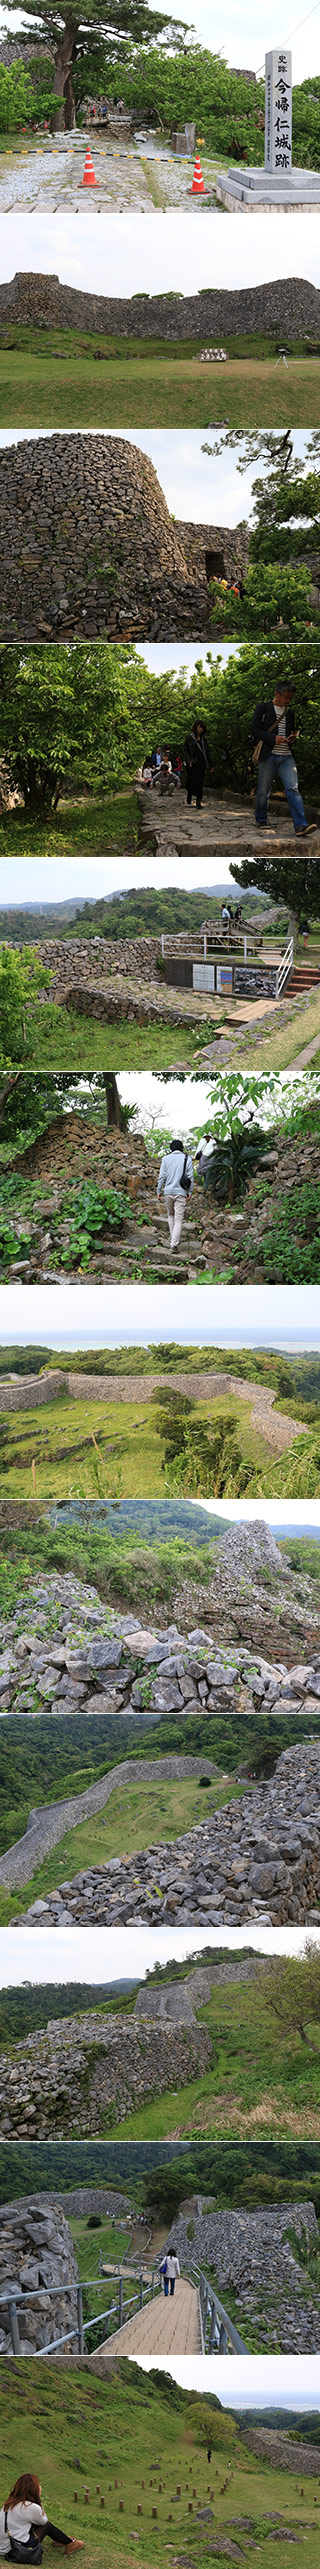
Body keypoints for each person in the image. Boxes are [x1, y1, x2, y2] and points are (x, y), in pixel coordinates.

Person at [251, 679, 317, 837]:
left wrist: (292, 737)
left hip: (287, 756)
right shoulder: (263, 708)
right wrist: (273, 738)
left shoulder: (290, 713)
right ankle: (261, 817)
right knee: (263, 792)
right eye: (286, 697)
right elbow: (255, 729)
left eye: (290, 698)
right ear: (277, 694)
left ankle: (300, 825)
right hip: (268, 755)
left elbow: (291, 730)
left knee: (293, 789)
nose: (288, 701)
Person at [0, 2478, 83, 2565]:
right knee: (46, 2526)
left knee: (35, 2522)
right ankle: (71, 2543)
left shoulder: (9, 2503)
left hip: (3, 2546)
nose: (40, 2487)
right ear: (33, 2490)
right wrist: (38, 2499)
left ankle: (60, 2540)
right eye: (37, 2486)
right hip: (16, 2549)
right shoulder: (29, 2506)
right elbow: (43, 2521)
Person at [157, 1137, 193, 1254]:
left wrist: (159, 1190)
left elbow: (162, 1176)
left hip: (168, 1192)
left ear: (171, 1148)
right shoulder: (187, 1158)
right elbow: (190, 1177)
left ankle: (173, 1240)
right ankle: (173, 1244)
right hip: (181, 1192)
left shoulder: (165, 1159)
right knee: (178, 1219)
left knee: (170, 1215)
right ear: (182, 1148)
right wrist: (190, 1192)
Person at [184, 720, 209, 810]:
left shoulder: (203, 740)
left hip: (201, 763)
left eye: (202, 728)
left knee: (200, 782)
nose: (201, 730)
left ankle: (198, 801)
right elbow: (186, 751)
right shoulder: (189, 738)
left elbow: (207, 752)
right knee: (192, 780)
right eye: (199, 727)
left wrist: (211, 764)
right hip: (192, 763)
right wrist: (188, 761)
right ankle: (190, 793)